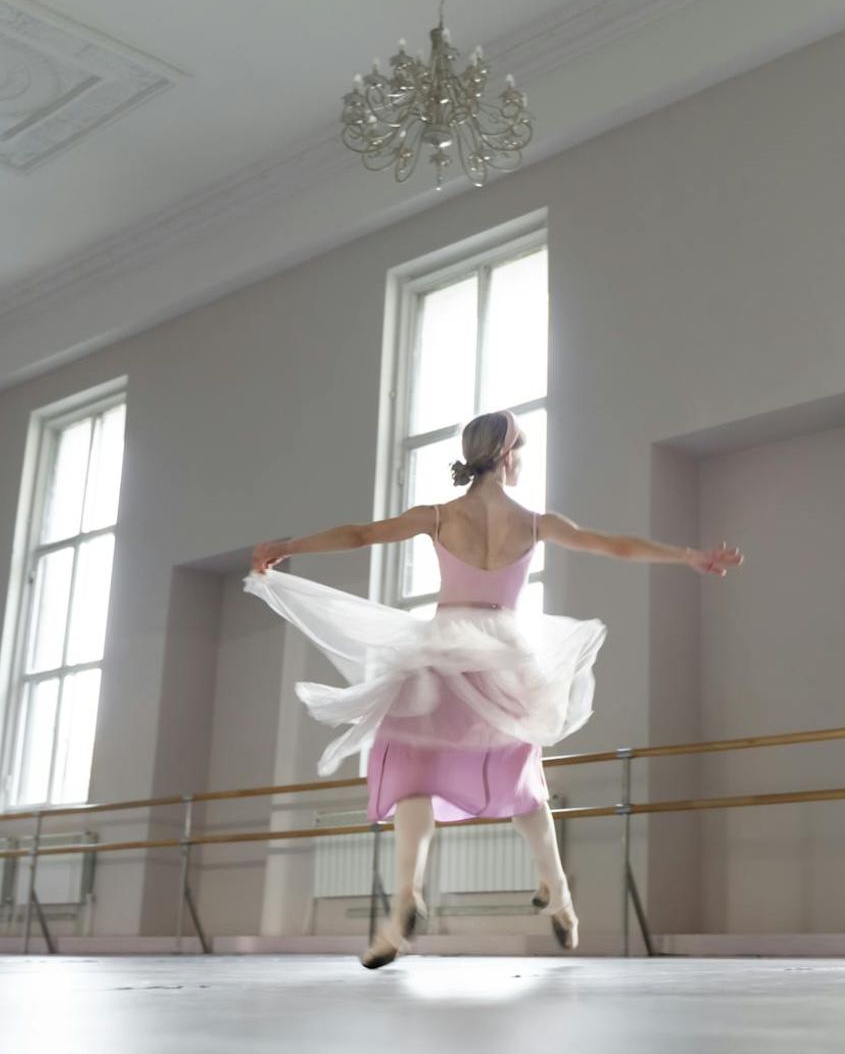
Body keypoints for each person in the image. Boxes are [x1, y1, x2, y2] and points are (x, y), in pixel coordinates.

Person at [244, 409, 742, 968]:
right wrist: (689, 556)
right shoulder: (532, 522)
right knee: (522, 777)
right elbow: (613, 546)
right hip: (503, 654)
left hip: (440, 652)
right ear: (507, 455)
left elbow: (361, 535)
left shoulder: (439, 515)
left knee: (412, 770)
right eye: (521, 451)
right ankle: (558, 889)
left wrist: (288, 545)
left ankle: (405, 898)